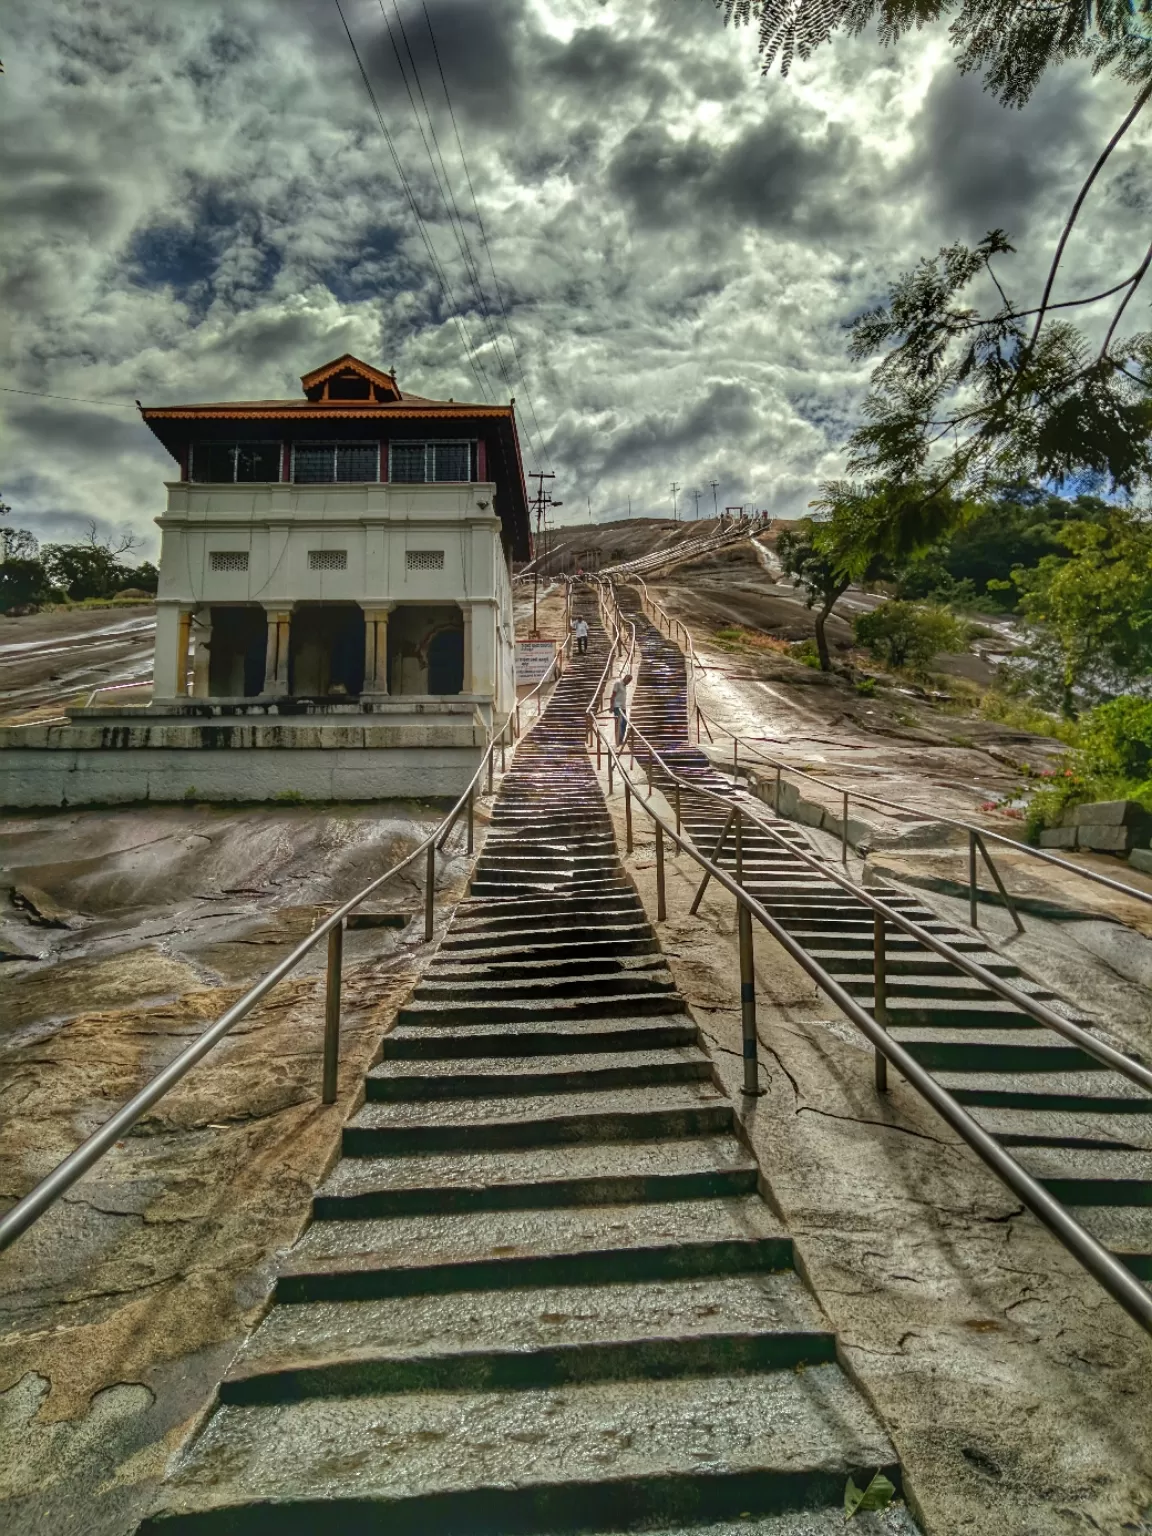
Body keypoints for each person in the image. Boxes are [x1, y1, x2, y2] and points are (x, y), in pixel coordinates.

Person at [610, 673, 631, 746]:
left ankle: (620, 739)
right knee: (619, 723)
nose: (628, 682)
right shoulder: (618, 683)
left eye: (629, 681)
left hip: (623, 707)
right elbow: (613, 695)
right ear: (625, 678)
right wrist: (611, 705)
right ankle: (618, 740)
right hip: (617, 707)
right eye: (628, 680)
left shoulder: (625, 686)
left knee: (624, 723)